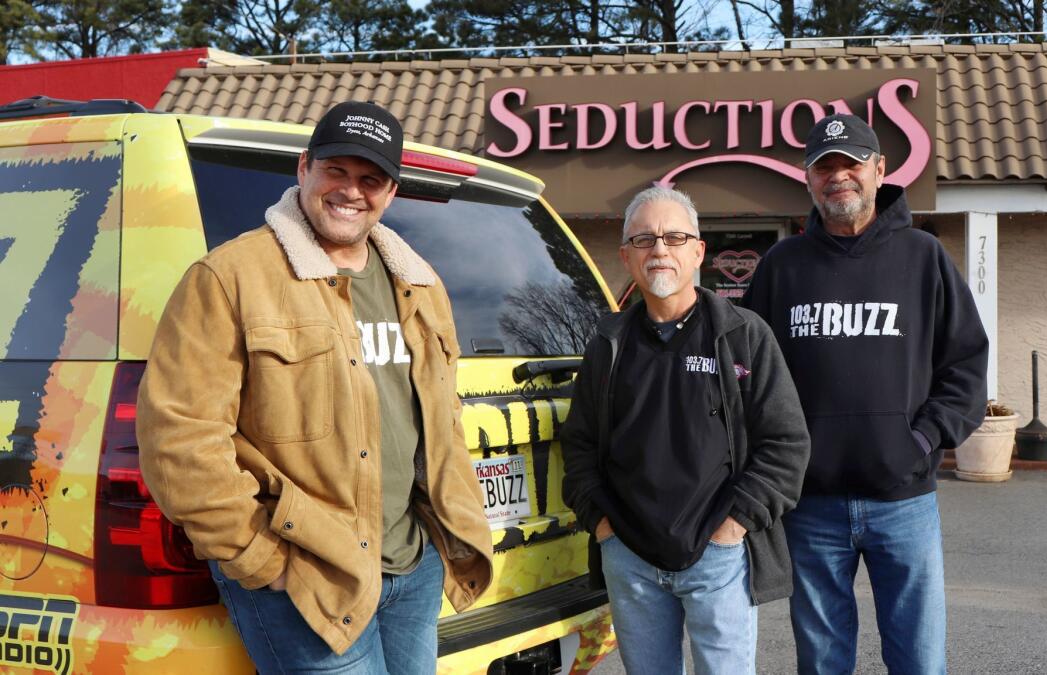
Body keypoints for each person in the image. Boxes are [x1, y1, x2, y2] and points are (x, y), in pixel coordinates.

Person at [136, 101, 492, 674]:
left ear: (391, 193)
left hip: (414, 564)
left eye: (371, 179)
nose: (353, 191)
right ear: (304, 168)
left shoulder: (420, 284)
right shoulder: (229, 278)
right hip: (307, 572)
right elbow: (179, 438)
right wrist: (259, 559)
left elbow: (441, 415)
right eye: (337, 171)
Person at [742, 113, 989, 674]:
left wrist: (922, 440)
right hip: (811, 506)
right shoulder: (782, 267)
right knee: (823, 661)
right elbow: (747, 376)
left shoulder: (923, 259)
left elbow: (967, 368)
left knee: (919, 659)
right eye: (824, 167)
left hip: (904, 502)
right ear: (808, 180)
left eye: (850, 164)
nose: (838, 177)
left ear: (879, 170)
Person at [562, 186, 811, 675]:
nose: (659, 250)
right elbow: (580, 446)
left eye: (674, 238)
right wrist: (604, 527)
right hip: (629, 558)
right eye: (645, 240)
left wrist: (733, 526)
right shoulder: (607, 344)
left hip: (717, 556)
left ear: (698, 251)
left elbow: (786, 444)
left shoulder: (742, 335)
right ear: (626, 256)